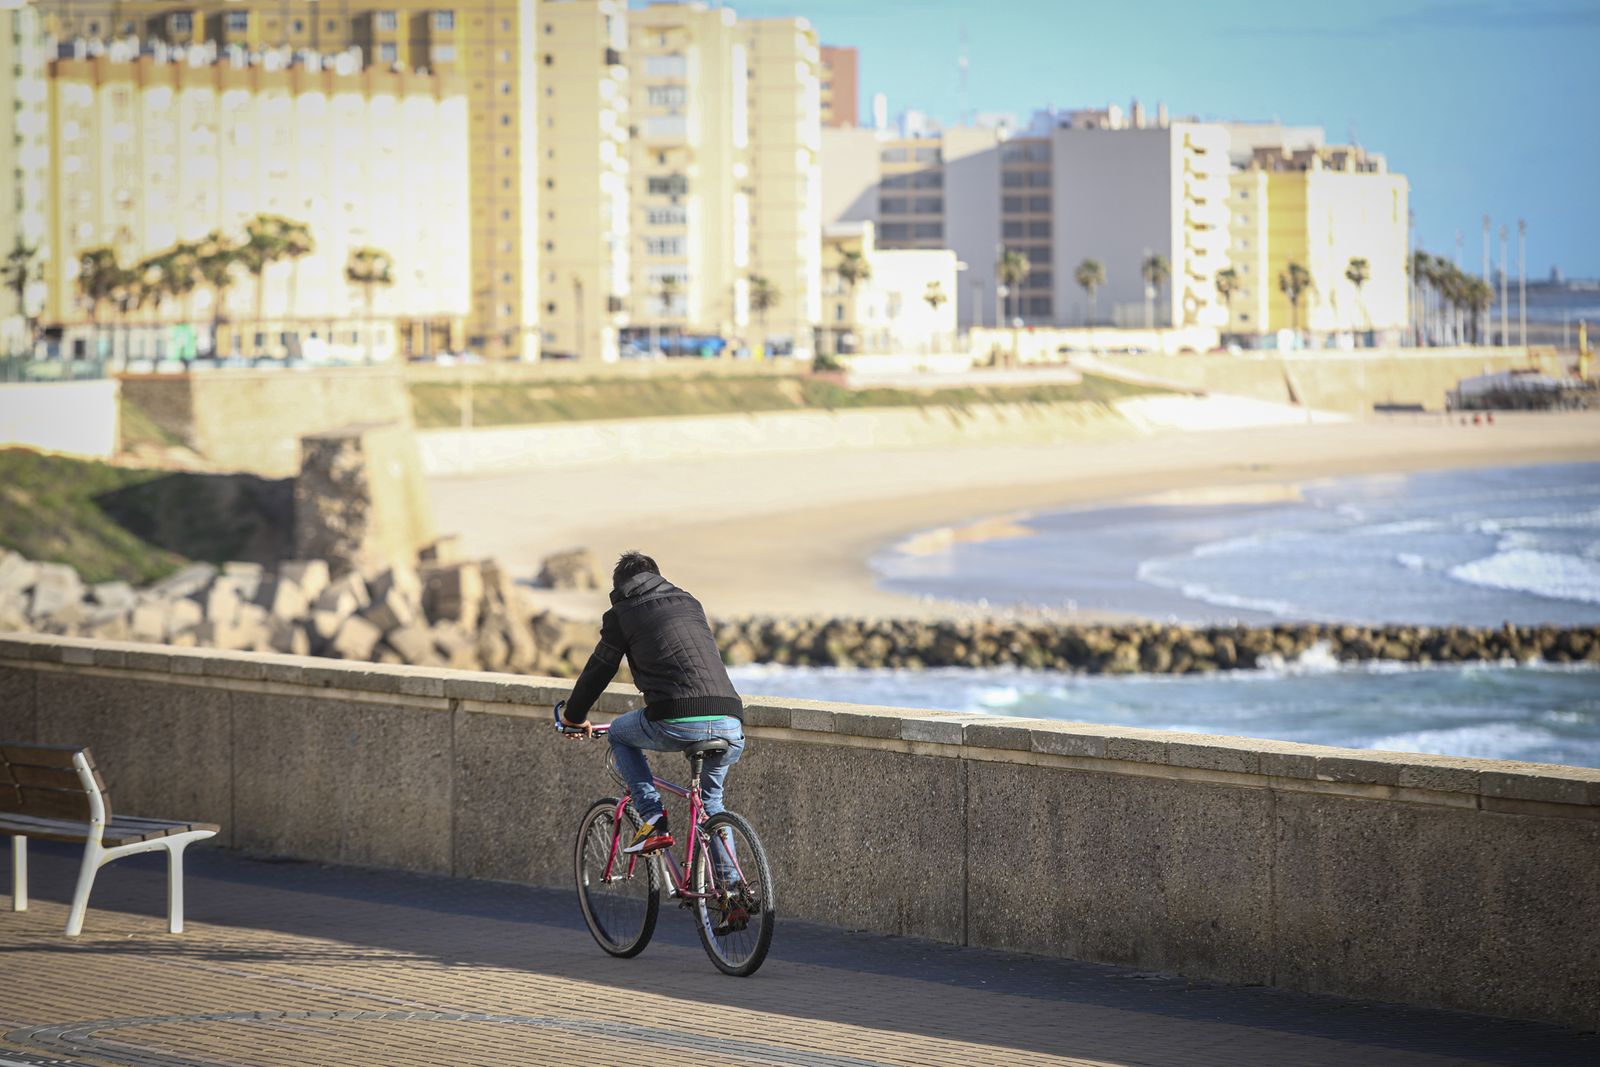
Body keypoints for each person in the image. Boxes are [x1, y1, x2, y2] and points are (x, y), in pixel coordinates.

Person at [560, 551, 745, 858]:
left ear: (620, 587)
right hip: (731, 719)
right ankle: (733, 897)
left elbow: (601, 668)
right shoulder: (690, 602)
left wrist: (574, 716)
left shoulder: (623, 611)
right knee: (712, 805)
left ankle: (653, 820)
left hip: (678, 718)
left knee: (619, 732)